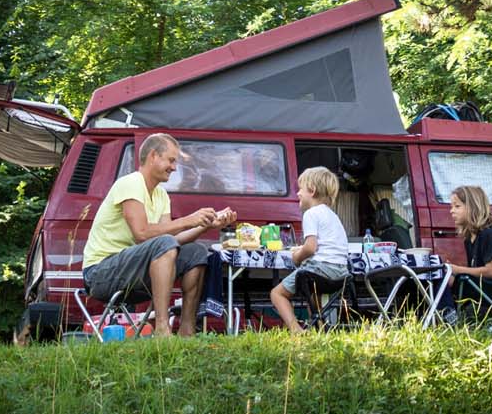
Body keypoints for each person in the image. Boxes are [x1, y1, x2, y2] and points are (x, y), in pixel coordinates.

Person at [81, 131, 235, 337]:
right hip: (101, 274)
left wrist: (206, 225)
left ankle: (187, 329)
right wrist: (188, 219)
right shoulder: (131, 183)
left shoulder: (161, 194)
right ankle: (162, 327)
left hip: (133, 272)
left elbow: (172, 241)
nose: (174, 167)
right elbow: (142, 233)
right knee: (163, 243)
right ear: (153, 156)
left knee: (196, 252)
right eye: (171, 160)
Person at [269, 166, 349, 333]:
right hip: (341, 274)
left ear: (311, 191)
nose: (297, 193)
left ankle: (295, 329)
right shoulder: (332, 215)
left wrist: (297, 256)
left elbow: (311, 247)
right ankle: (319, 327)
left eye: (300, 189)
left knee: (277, 294)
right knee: (312, 290)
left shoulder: (311, 214)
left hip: (320, 269)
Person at [440, 184, 492, 323]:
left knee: (468, 313)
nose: (451, 211)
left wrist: (457, 269)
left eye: (457, 206)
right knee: (440, 278)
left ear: (473, 207)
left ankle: (451, 320)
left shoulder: (489, 234)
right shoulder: (470, 239)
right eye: (452, 207)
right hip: (482, 291)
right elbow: (474, 273)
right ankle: (442, 318)